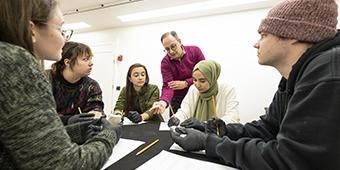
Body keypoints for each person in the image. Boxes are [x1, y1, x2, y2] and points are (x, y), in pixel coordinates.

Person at [171, 0, 340, 169]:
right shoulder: (293, 77)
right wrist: (218, 131)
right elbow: (268, 128)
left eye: (264, 35)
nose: (256, 43)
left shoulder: (329, 75)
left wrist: (210, 143)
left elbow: (290, 160)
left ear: (294, 34)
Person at [0, 0, 121, 169]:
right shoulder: (16, 63)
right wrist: (110, 134)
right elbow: (64, 165)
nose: (64, 38)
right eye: (60, 29)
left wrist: (74, 129)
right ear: (32, 30)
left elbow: (21, 142)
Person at [167, 60, 240, 128]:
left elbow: (233, 118)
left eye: (202, 81)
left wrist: (205, 125)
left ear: (212, 78)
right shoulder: (193, 89)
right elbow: (185, 111)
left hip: (220, 138)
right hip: (196, 135)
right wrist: (177, 118)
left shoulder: (227, 90)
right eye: (194, 80)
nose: (197, 85)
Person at [47, 41, 104, 125]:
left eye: (90, 59)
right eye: (85, 59)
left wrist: (95, 113)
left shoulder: (92, 86)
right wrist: (69, 120)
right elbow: (40, 115)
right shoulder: (47, 79)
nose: (91, 63)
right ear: (67, 62)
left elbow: (96, 107)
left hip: (78, 132)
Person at [153, 31, 205, 115]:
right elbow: (168, 86)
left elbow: (205, 75)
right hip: (177, 100)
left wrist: (186, 83)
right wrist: (163, 102)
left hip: (198, 96)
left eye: (173, 46)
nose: (171, 51)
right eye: (167, 49)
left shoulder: (195, 51)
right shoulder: (165, 62)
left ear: (179, 41)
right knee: (176, 126)